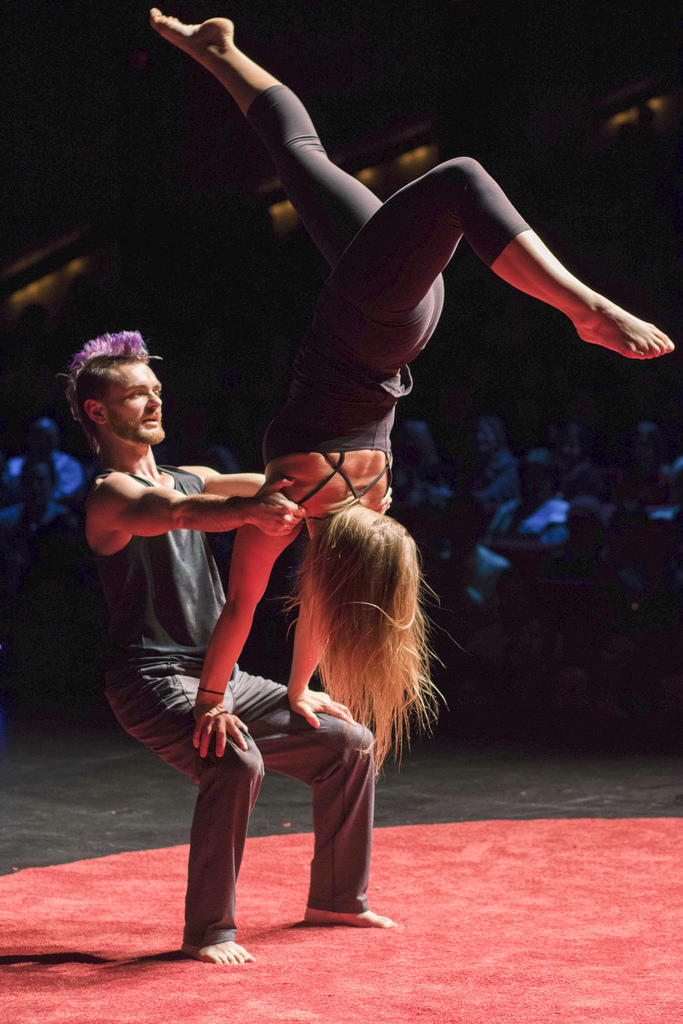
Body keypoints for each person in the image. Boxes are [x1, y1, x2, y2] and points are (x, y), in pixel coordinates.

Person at [148, 9, 674, 767]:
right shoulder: (286, 506)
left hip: (397, 317)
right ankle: (584, 309)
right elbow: (242, 609)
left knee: (300, 157)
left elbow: (316, 607)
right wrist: (209, 700)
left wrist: (298, 695)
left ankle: (220, 52)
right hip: (369, 318)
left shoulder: (372, 503)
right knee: (459, 180)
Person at [64, 329, 395, 967]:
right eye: (136, 395)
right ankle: (209, 931)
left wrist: (353, 489)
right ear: (99, 413)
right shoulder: (110, 494)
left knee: (348, 745)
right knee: (234, 764)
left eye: (157, 391)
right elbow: (177, 512)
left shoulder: (197, 477)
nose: (154, 402)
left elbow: (285, 485)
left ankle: (336, 899)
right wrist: (249, 512)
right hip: (150, 680)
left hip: (224, 678)